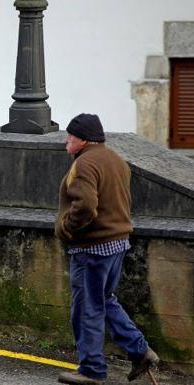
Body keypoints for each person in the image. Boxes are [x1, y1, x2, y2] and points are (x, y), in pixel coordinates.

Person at [55, 113, 159, 385]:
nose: (67, 140)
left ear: (84, 140)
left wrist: (67, 227)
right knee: (104, 299)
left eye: (71, 136)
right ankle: (140, 351)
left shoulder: (85, 164)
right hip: (117, 242)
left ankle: (91, 370)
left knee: (87, 307)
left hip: (93, 247)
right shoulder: (115, 159)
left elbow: (87, 205)